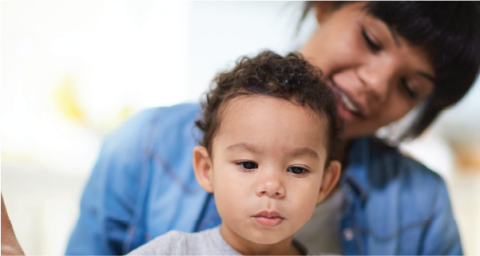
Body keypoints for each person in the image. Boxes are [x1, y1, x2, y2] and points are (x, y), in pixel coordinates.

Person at [65, 0, 480, 255]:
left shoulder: (424, 204)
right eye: (371, 40)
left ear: (327, 181)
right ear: (325, 4)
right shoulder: (145, 145)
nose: (375, 82)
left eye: (409, 86)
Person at [127, 51, 342, 256]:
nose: (271, 187)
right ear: (207, 170)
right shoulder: (172, 251)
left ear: (325, 182)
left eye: (297, 169)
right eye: (248, 164)